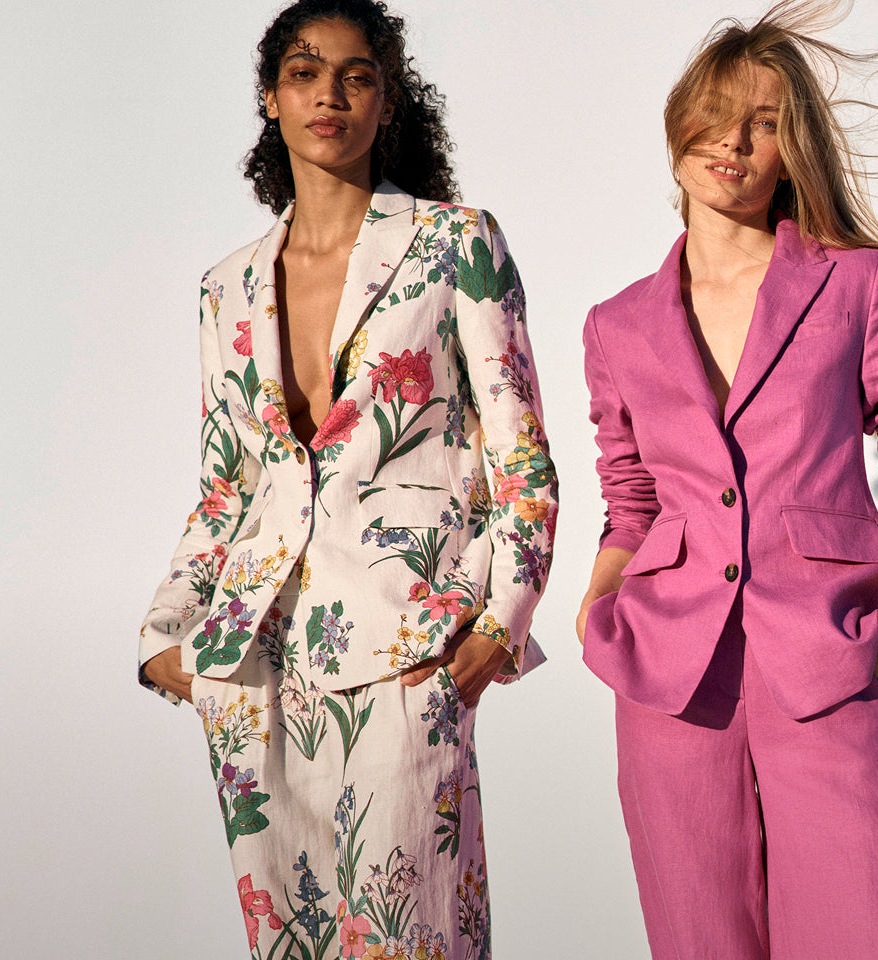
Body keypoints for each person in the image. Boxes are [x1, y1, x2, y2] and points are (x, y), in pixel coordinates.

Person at [139, 2, 556, 957]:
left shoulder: (458, 245)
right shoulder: (226, 288)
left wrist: (499, 625)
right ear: (270, 100)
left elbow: (522, 461)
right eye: (303, 70)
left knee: (414, 941)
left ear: (388, 100)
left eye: (357, 74)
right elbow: (226, 486)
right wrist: (165, 636)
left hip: (407, 653)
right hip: (253, 669)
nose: (329, 91)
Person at [576, 3, 878, 958]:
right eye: (718, 116)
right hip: (672, 683)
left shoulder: (861, 285)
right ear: (678, 134)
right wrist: (599, 602)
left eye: (765, 123)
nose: (736, 142)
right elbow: (629, 497)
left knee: (869, 936)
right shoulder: (617, 324)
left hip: (826, 662)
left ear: (791, 152)